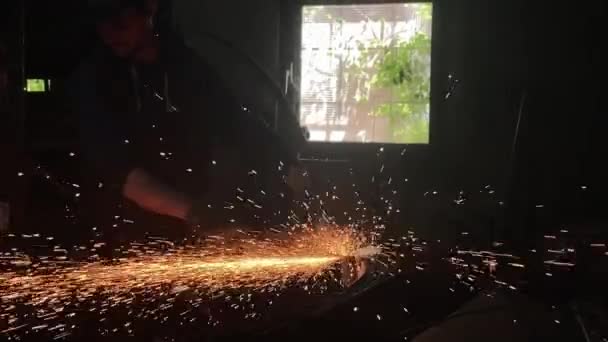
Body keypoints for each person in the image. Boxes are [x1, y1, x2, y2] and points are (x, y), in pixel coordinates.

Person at [69, 0, 306, 239]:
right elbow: (121, 174)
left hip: (186, 230)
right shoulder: (95, 80)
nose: (108, 34)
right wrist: (197, 214)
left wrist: (289, 163)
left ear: (149, 8)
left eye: (118, 22)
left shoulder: (187, 68)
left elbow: (235, 121)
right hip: (120, 233)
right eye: (101, 25)